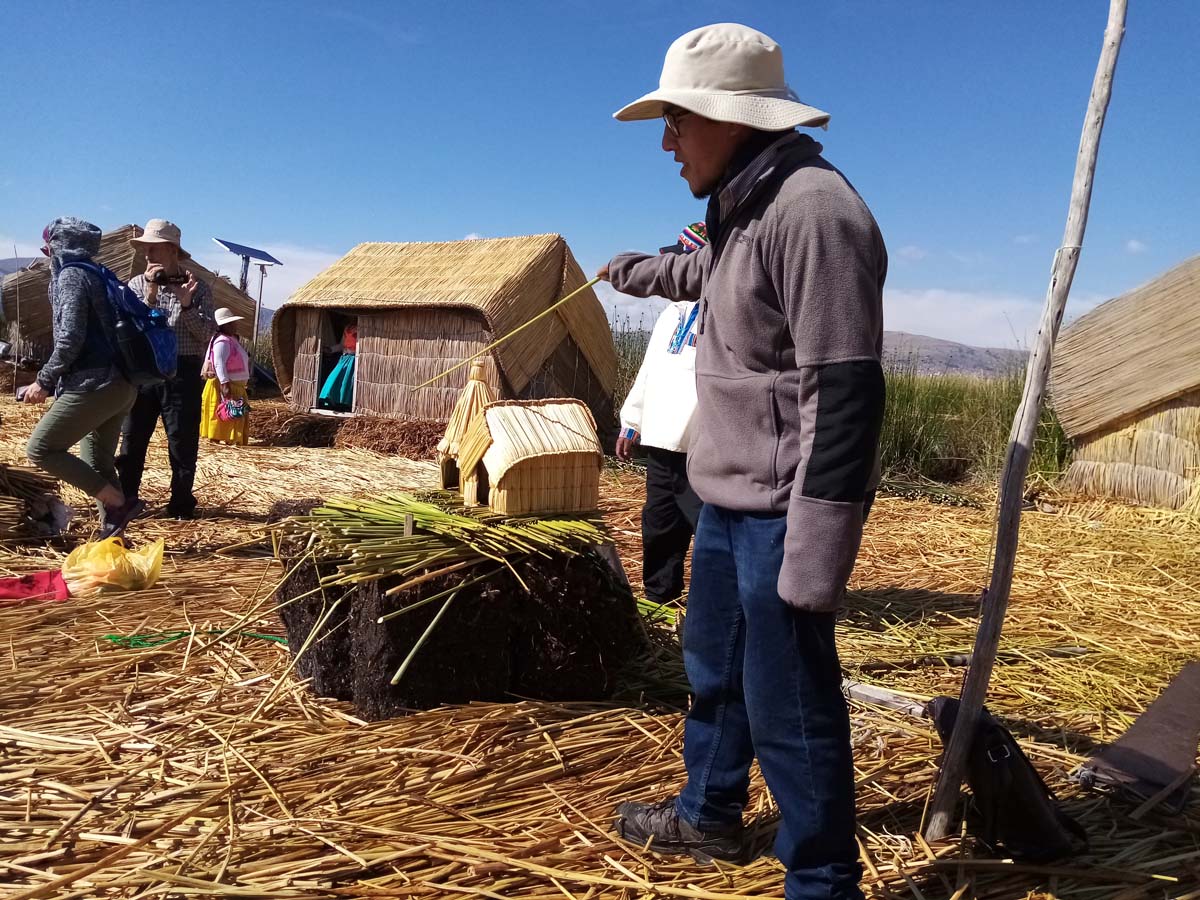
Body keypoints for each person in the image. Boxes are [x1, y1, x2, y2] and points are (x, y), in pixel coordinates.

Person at [600, 24, 887, 900]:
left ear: (731, 118)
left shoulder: (813, 212)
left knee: (790, 704)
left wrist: (816, 554)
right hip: (724, 500)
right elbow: (714, 281)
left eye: (678, 121)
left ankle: (822, 880)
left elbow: (846, 394)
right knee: (714, 675)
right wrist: (634, 273)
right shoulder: (745, 204)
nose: (666, 141)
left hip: (781, 516)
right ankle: (709, 815)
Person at [23, 218, 143, 537]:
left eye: (48, 247)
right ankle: (114, 541)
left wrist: (44, 381)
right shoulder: (100, 275)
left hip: (95, 384)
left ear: (59, 247)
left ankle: (118, 501)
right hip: (123, 385)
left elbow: (70, 338)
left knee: (41, 447)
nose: (47, 254)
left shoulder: (72, 276)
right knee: (98, 464)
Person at [617, 223, 707, 606]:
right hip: (661, 440)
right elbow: (650, 369)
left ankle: (712, 607)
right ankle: (659, 598)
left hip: (703, 446)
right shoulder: (672, 313)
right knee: (659, 524)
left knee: (706, 531)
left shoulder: (727, 312)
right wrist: (632, 421)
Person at [115, 219, 215, 519]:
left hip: (182, 371)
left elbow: (207, 335)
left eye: (154, 249)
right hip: (145, 372)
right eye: (146, 250)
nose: (148, 255)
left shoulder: (199, 288)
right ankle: (126, 500)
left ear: (173, 251)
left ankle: (181, 505)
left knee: (182, 441)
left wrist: (186, 306)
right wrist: (150, 296)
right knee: (132, 438)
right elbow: (131, 329)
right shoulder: (135, 285)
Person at [201, 308, 251, 445]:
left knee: (232, 415)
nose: (235, 326)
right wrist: (224, 384)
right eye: (231, 323)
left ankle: (229, 440)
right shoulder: (222, 342)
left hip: (235, 385)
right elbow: (219, 363)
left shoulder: (230, 340)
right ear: (223, 326)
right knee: (223, 415)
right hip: (225, 386)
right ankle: (217, 441)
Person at [318, 323, 357, 411]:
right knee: (334, 378)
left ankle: (344, 404)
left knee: (347, 382)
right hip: (344, 358)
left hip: (354, 359)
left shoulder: (362, 328)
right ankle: (329, 399)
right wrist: (330, 349)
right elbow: (342, 344)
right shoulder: (347, 328)